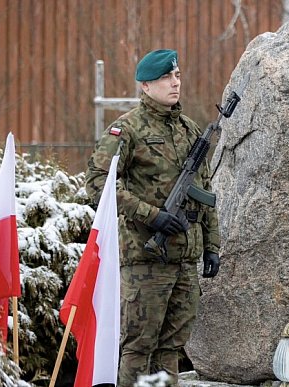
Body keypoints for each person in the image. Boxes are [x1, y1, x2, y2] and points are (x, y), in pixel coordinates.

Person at [85, 49, 221, 386]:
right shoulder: (127, 129)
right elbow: (97, 182)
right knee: (139, 346)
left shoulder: (190, 131)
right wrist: (152, 216)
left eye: (176, 76)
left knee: (171, 348)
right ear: (145, 86)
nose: (175, 83)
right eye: (165, 78)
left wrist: (213, 246)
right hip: (146, 259)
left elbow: (205, 192)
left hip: (185, 261)